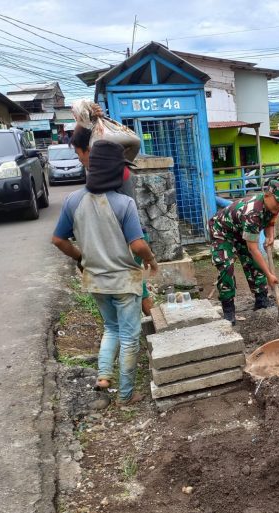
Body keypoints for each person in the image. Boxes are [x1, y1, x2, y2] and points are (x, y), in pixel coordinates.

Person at [51, 141, 158, 405]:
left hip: (95, 281)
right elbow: (138, 244)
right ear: (116, 171)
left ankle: (103, 376)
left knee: (111, 328)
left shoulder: (72, 201)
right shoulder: (125, 203)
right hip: (124, 281)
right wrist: (151, 260)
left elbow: (58, 239)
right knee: (129, 337)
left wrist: (81, 258)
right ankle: (126, 394)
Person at [70, 125, 154, 315]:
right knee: (137, 290)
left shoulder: (113, 174)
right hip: (128, 240)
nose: (79, 159)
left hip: (127, 242)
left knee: (137, 291)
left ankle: (153, 330)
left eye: (79, 153)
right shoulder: (113, 170)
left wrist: (91, 120)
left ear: (90, 150)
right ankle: (149, 328)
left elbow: (133, 141)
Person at [208, 179, 279, 325]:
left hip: (241, 230)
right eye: (278, 202)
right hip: (222, 231)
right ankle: (229, 311)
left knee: (253, 263)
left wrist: (270, 236)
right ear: (267, 195)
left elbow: (271, 220)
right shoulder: (252, 214)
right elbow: (253, 249)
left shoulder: (274, 207)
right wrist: (269, 275)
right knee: (227, 267)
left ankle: (261, 300)